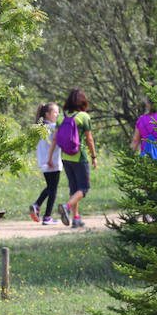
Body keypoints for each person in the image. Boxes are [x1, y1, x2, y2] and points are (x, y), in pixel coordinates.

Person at [58, 89, 96, 229]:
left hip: (65, 157)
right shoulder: (84, 117)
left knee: (74, 189)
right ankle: (66, 207)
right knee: (84, 188)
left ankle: (76, 219)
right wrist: (93, 156)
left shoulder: (62, 117)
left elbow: (56, 137)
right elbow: (89, 139)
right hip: (79, 157)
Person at [29, 103, 63, 224]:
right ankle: (46, 216)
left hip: (43, 162)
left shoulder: (39, 128)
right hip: (53, 162)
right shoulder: (54, 127)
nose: (58, 114)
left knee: (50, 187)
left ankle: (37, 206)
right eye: (55, 112)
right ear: (47, 115)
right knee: (52, 190)